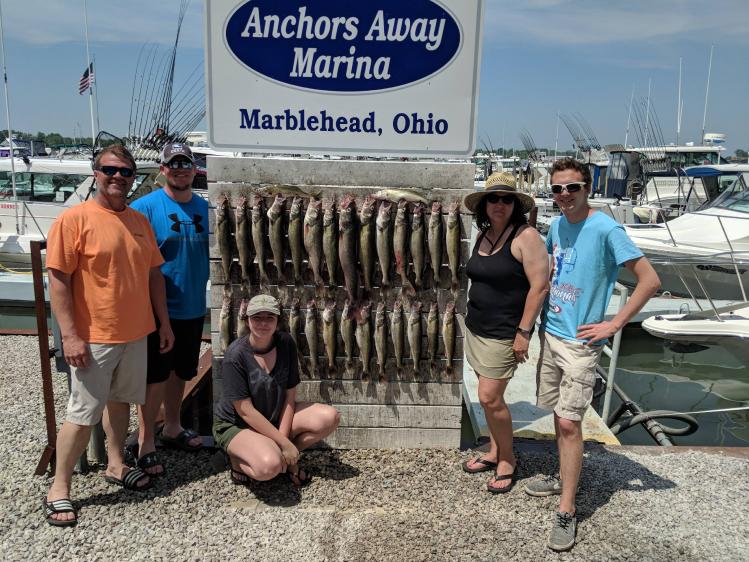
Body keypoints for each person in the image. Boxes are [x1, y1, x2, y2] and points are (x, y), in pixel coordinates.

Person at [524, 158, 660, 551]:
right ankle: (561, 475)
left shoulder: (605, 227)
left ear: (588, 188)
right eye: (557, 189)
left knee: (569, 423)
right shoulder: (558, 225)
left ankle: (567, 508)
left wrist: (613, 324)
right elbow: (549, 265)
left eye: (573, 187)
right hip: (552, 333)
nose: (565, 195)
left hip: (581, 343)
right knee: (558, 413)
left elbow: (649, 280)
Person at [43, 145, 174, 527]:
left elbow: (153, 275)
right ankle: (60, 486)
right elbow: (59, 281)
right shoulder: (74, 220)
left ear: (134, 178)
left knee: (121, 403)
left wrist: (163, 323)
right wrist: (70, 336)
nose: (118, 177)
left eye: (125, 172)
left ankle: (116, 464)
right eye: (109, 170)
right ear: (96, 173)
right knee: (82, 413)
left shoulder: (138, 221)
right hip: (94, 336)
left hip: (136, 333)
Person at [461, 172, 549, 493]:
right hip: (476, 329)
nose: (500, 204)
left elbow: (539, 287)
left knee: (489, 397)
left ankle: (508, 459)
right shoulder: (483, 235)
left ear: (516, 205)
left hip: (503, 332)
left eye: (507, 199)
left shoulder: (526, 237)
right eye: (493, 199)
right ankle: (496, 450)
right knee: (487, 400)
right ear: (484, 205)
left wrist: (524, 332)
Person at [129, 142, 208, 476]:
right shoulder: (144, 207)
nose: (180, 169)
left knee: (181, 373)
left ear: (194, 169)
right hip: (158, 309)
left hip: (192, 306)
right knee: (154, 377)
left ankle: (173, 426)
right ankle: (146, 441)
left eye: (185, 163)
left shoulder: (204, 208)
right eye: (173, 164)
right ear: (162, 169)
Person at [213, 295, 340, 486]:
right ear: (247, 320)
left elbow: (290, 397)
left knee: (330, 417)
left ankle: (288, 458)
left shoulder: (286, 343)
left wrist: (284, 442)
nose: (263, 323)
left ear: (278, 321)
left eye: (269, 317)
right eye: (257, 317)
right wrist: (283, 443)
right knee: (269, 468)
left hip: (273, 414)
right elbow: (245, 411)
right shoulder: (235, 356)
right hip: (237, 423)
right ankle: (235, 461)